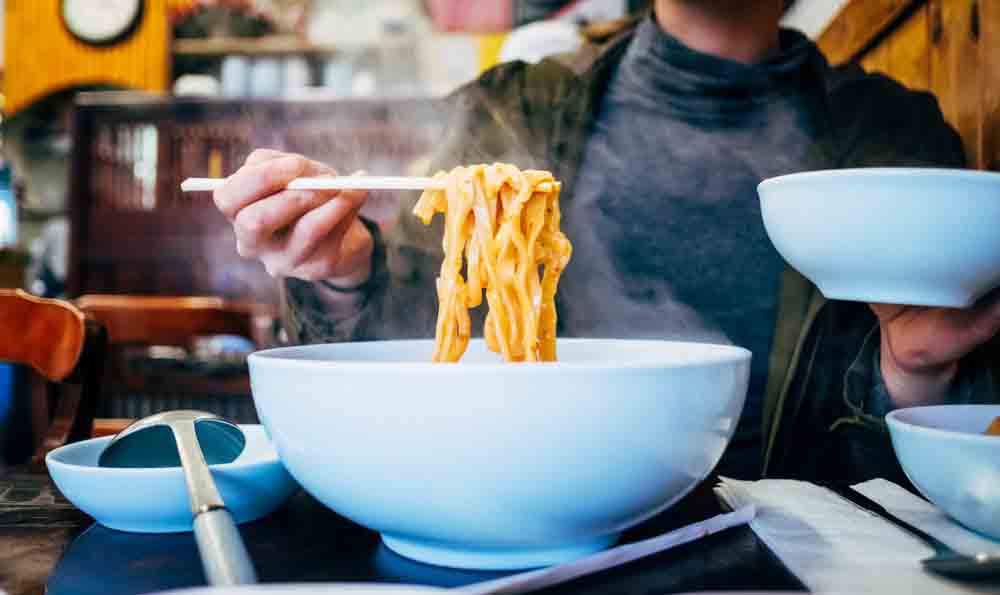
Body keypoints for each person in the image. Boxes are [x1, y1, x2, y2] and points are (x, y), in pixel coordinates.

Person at [212, 0, 1000, 482]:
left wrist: (914, 371)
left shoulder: (893, 142)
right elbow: (411, 354)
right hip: (520, 515)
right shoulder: (510, 107)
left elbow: (924, 478)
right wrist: (343, 270)